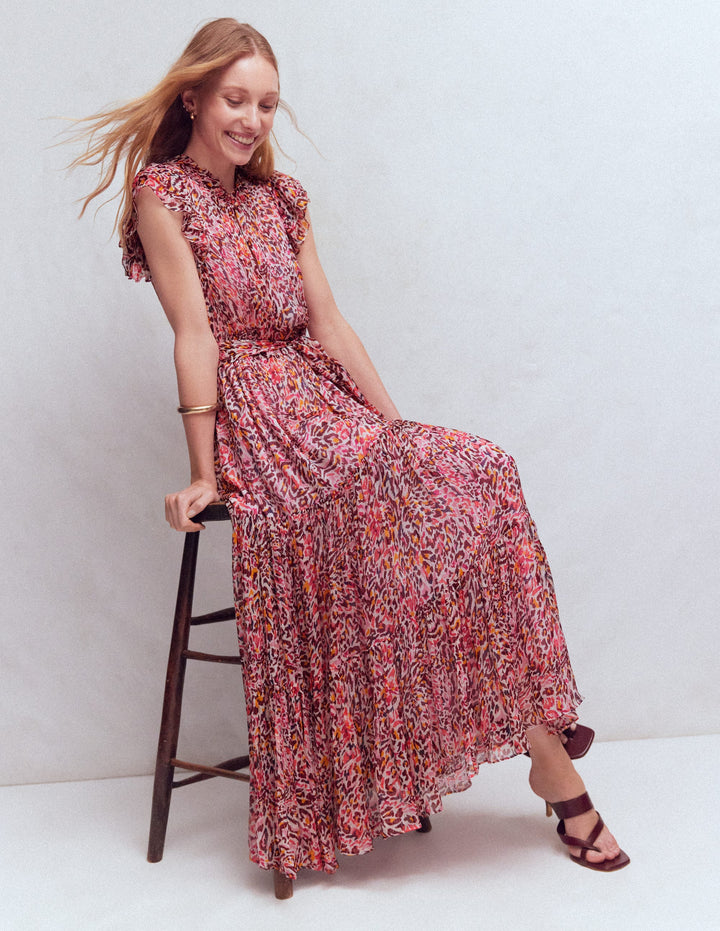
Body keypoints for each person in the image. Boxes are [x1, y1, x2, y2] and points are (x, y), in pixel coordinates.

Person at [74, 18, 629, 887]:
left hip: (324, 403)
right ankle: (552, 768)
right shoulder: (164, 195)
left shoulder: (283, 199)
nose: (252, 119)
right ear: (193, 99)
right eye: (235, 100)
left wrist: (396, 431)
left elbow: (329, 323)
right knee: (442, 495)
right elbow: (195, 337)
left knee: (481, 471)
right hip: (262, 420)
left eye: (267, 104)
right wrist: (204, 471)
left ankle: (538, 744)